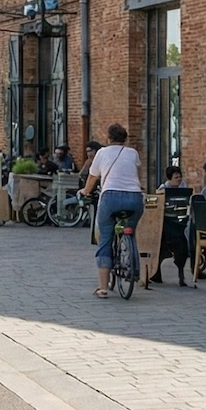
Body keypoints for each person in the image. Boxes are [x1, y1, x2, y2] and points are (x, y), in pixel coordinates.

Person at [79, 124, 143, 298]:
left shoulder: (102, 153)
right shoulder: (133, 153)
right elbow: (134, 171)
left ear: (108, 138)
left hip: (110, 197)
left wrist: (85, 191)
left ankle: (103, 287)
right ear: (125, 139)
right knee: (130, 231)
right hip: (135, 197)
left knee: (106, 238)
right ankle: (133, 269)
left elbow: (93, 177)